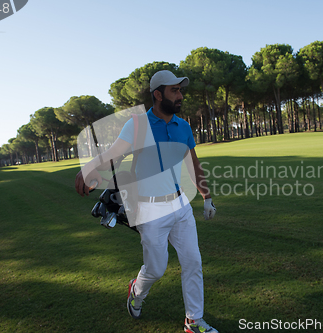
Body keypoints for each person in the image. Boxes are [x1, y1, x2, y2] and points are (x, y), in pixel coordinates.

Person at [75, 70, 219, 333]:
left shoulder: (183, 126)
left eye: (180, 90)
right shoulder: (138, 125)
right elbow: (114, 155)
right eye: (174, 90)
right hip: (150, 210)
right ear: (157, 94)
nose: (180, 95)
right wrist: (90, 169)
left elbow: (194, 165)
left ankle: (193, 321)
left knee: (193, 262)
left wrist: (207, 197)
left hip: (181, 205)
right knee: (156, 269)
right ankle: (137, 292)